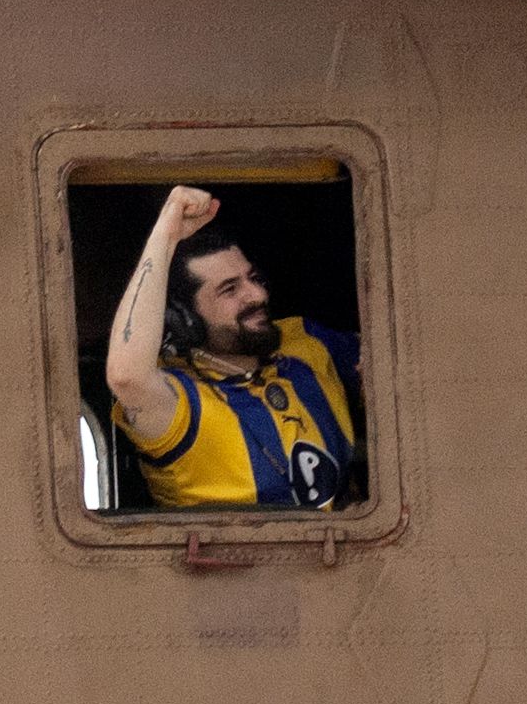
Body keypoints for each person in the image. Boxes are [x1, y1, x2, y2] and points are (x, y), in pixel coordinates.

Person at [102, 185, 365, 511]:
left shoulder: (305, 339)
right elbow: (126, 376)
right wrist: (166, 235)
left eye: (254, 278)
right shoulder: (181, 405)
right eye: (230, 289)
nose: (257, 295)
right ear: (185, 319)